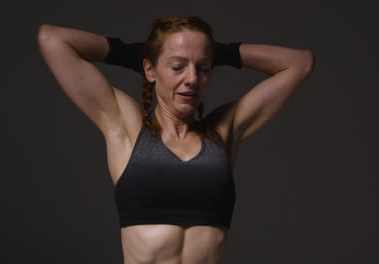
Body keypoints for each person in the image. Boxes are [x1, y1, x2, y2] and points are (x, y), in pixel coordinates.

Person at [37, 16, 315, 264]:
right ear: (149, 70)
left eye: (203, 68)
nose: (192, 78)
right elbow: (52, 39)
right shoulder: (127, 126)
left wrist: (220, 53)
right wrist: (131, 54)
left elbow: (299, 64)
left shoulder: (224, 131)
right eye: (178, 66)